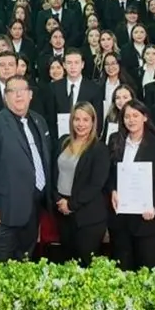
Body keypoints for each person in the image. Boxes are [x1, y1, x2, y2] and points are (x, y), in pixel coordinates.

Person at [0, 76, 53, 261]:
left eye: (22, 90)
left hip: (33, 208)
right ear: (5, 96)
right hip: (4, 212)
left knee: (25, 264)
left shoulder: (39, 121)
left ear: (30, 94)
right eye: (12, 91)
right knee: (0, 266)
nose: (18, 95)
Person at [107, 98, 155, 269]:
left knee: (147, 271)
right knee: (122, 271)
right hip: (120, 219)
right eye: (127, 116)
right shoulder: (114, 140)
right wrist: (112, 190)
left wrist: (152, 204)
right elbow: (109, 174)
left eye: (135, 115)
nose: (131, 120)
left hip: (147, 220)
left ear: (145, 117)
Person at [54, 101, 111, 265]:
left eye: (86, 120)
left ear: (93, 122)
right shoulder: (63, 142)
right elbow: (53, 174)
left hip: (88, 217)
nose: (81, 124)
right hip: (63, 214)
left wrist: (71, 204)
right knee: (67, 264)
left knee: (84, 265)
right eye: (77, 119)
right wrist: (59, 200)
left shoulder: (99, 149)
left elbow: (96, 184)